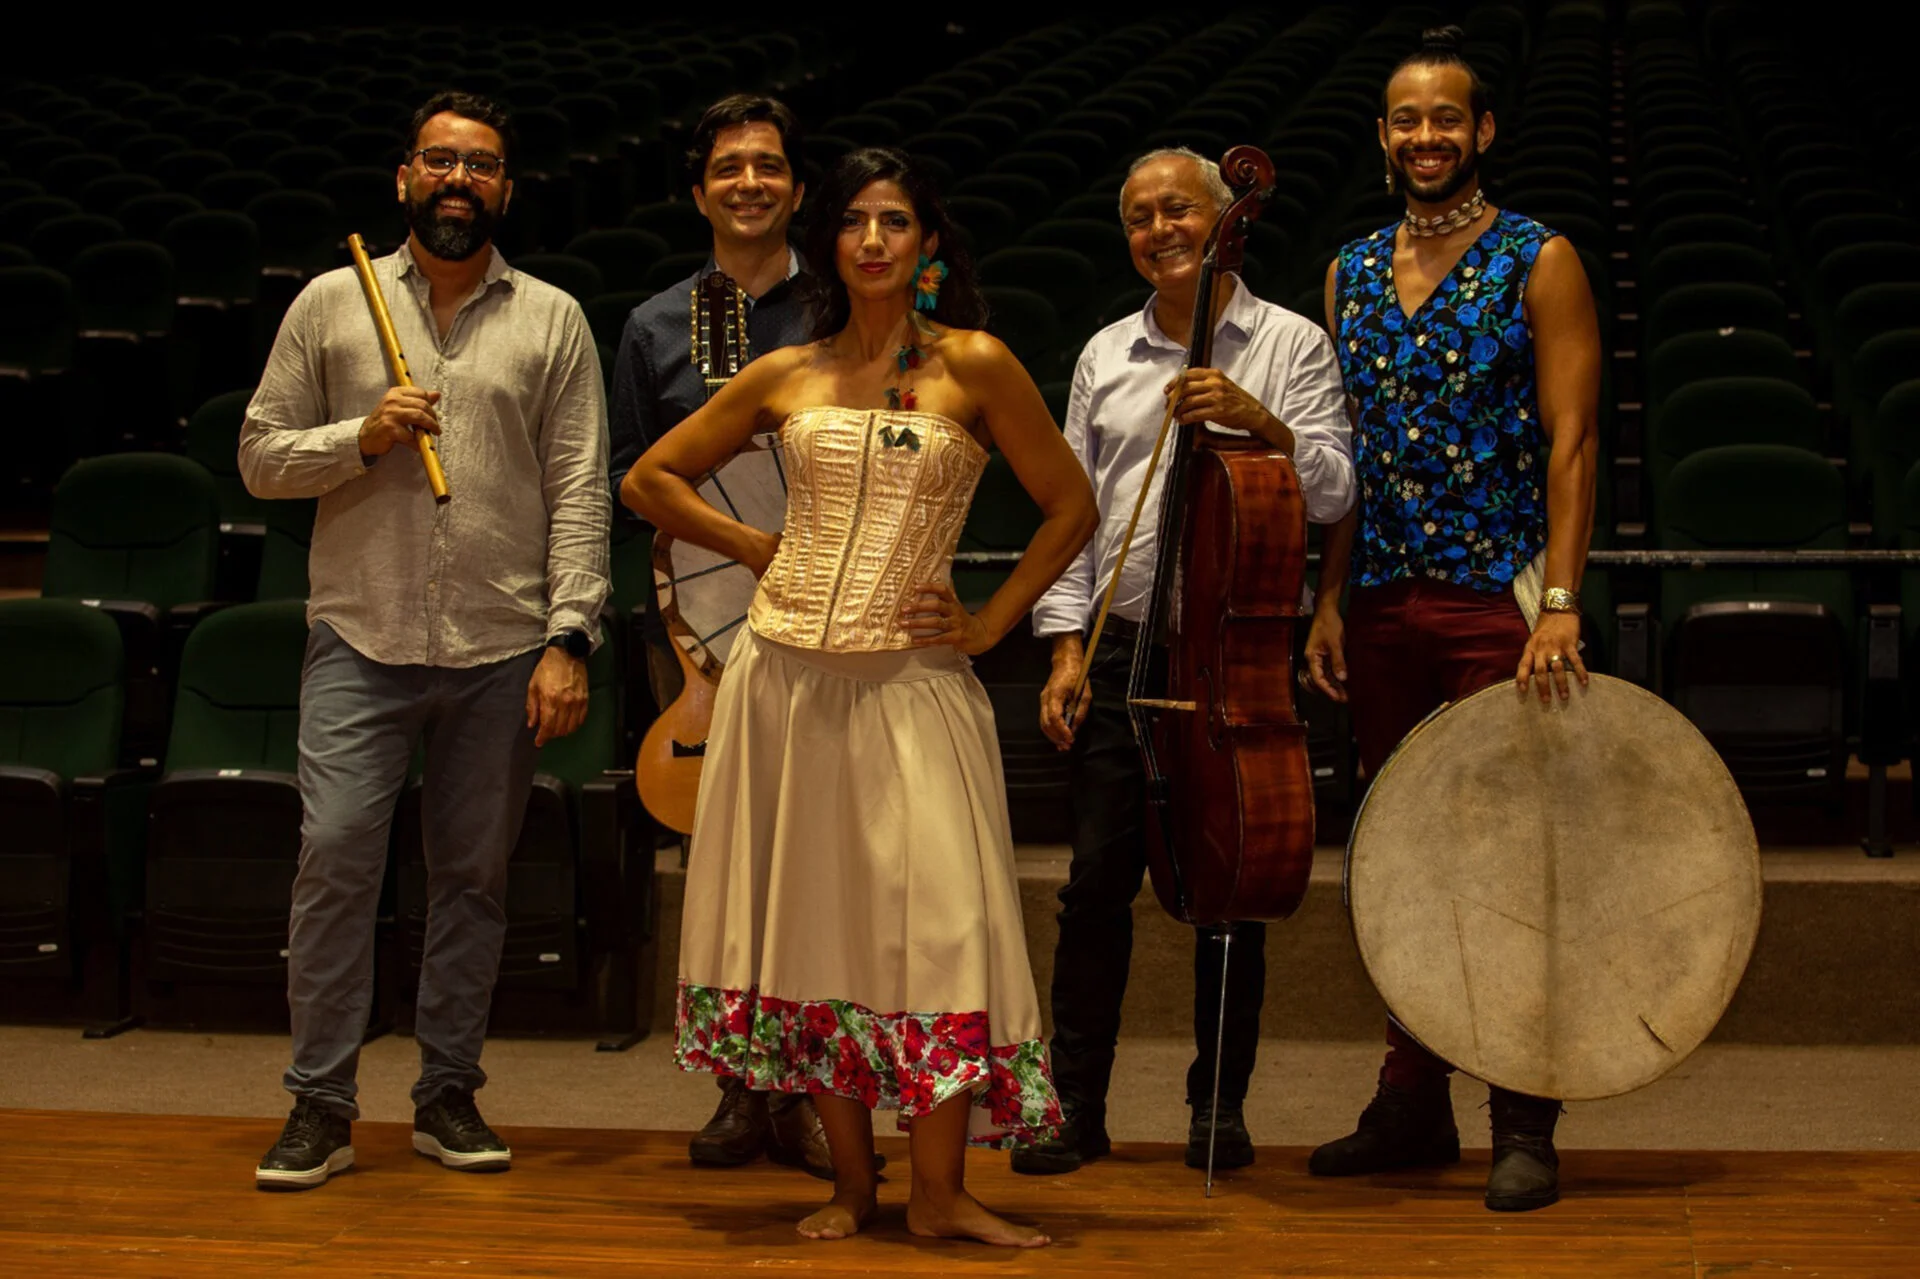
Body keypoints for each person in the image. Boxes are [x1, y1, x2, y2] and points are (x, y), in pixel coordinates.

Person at [624, 146, 1096, 1247]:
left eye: (896, 221)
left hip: (914, 682)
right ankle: (852, 1183)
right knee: (811, 928)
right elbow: (649, 477)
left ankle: (940, 1191)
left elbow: (1069, 505)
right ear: (831, 242)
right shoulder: (787, 371)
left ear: (928, 241)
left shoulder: (976, 364)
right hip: (783, 680)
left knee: (939, 928)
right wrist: (750, 541)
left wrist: (991, 621)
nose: (875, 239)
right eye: (855, 223)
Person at [241, 91, 610, 1190]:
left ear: (507, 187)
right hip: (360, 636)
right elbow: (260, 458)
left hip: (501, 646)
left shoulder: (554, 318)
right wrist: (359, 437)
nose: (460, 180)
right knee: (337, 864)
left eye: (482, 165)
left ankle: (448, 1089)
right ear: (405, 177)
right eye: (440, 160)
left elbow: (582, 487)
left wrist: (571, 635)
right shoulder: (327, 302)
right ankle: (320, 1102)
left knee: (473, 880)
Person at [1303, 27, 1600, 1213]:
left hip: (1500, 604)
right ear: (1385, 138)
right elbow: (1343, 458)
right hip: (1379, 601)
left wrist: (1561, 604)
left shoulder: (1541, 257)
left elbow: (1573, 444)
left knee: (1512, 856)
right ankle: (1411, 1104)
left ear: (1481, 133)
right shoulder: (1350, 270)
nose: (1426, 137)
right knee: (1400, 861)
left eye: (1447, 119)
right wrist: (1327, 598)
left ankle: (1523, 1114)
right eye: (1405, 120)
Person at [1016, 146, 1355, 1177]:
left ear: (1223, 218)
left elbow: (1337, 490)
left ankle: (1220, 1109)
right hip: (1121, 651)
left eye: (1181, 209)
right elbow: (1075, 520)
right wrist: (1067, 646)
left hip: (1228, 656)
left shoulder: (1290, 343)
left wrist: (1262, 422)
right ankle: (1076, 1106)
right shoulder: (1104, 353)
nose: (1162, 228)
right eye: (1140, 215)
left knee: (1228, 885)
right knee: (1093, 889)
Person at [606, 91, 837, 1181]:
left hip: (834, 616)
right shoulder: (655, 325)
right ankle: (743, 1087)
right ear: (700, 192)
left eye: (770, 165)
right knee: (722, 859)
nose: (750, 182)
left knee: (816, 857)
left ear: (796, 187)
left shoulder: (844, 306)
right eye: (728, 167)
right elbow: (637, 484)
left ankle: (811, 1093)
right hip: (697, 618)